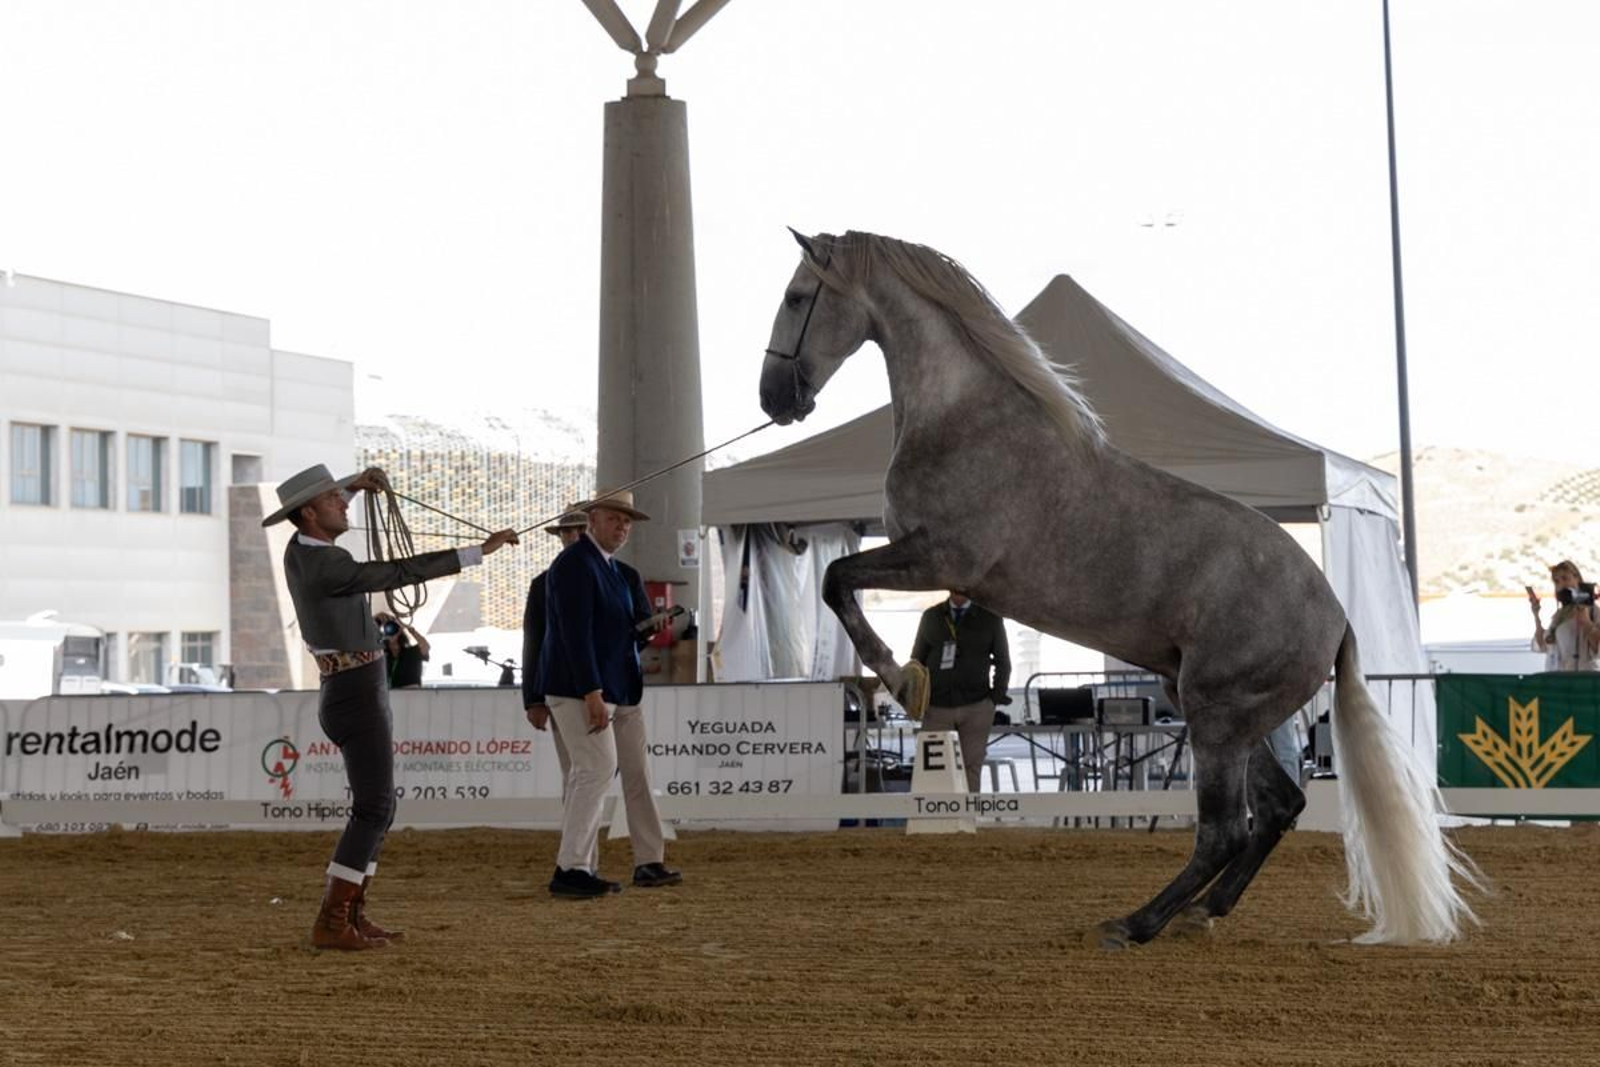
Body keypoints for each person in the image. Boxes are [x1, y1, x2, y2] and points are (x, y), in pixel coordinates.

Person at [265, 463, 519, 950]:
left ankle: (351, 913)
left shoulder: (303, 550)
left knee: (379, 806)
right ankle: (334, 920)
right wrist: (476, 552)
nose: (343, 501)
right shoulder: (328, 564)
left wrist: (354, 486)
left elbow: (329, 516)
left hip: (352, 688)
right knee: (375, 806)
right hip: (357, 692)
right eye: (334, 498)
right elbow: (398, 571)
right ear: (310, 512)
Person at [538, 489, 681, 898]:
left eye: (627, 521)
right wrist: (591, 691)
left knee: (594, 772)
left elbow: (606, 633)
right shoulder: (576, 565)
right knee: (595, 771)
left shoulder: (609, 569)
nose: (622, 527)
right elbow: (574, 634)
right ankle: (571, 868)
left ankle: (576, 867)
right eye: (615, 518)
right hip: (581, 687)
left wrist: (643, 630)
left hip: (606, 686)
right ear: (593, 520)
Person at [910, 591, 1012, 792]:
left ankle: (967, 821)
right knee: (933, 770)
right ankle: (935, 822)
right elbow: (916, 661)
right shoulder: (931, 616)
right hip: (936, 707)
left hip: (977, 706)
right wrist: (918, 700)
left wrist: (994, 698)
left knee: (971, 768)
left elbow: (1003, 662)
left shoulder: (990, 617)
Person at [1529, 560, 1600, 671]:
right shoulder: (1559, 615)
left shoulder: (1593, 611)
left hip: (1582, 679)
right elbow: (1542, 644)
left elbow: (1597, 647)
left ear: (1577, 578)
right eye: (1557, 581)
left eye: (1565, 578)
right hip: (1556, 679)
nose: (1561, 584)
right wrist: (1536, 615)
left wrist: (1586, 621)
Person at [376, 611, 429, 689]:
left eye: (393, 628)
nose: (390, 630)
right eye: (387, 628)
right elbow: (365, 643)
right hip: (390, 694)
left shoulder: (412, 652)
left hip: (410, 693)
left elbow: (425, 646)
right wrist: (377, 621)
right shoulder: (382, 654)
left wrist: (406, 627)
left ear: (400, 631)